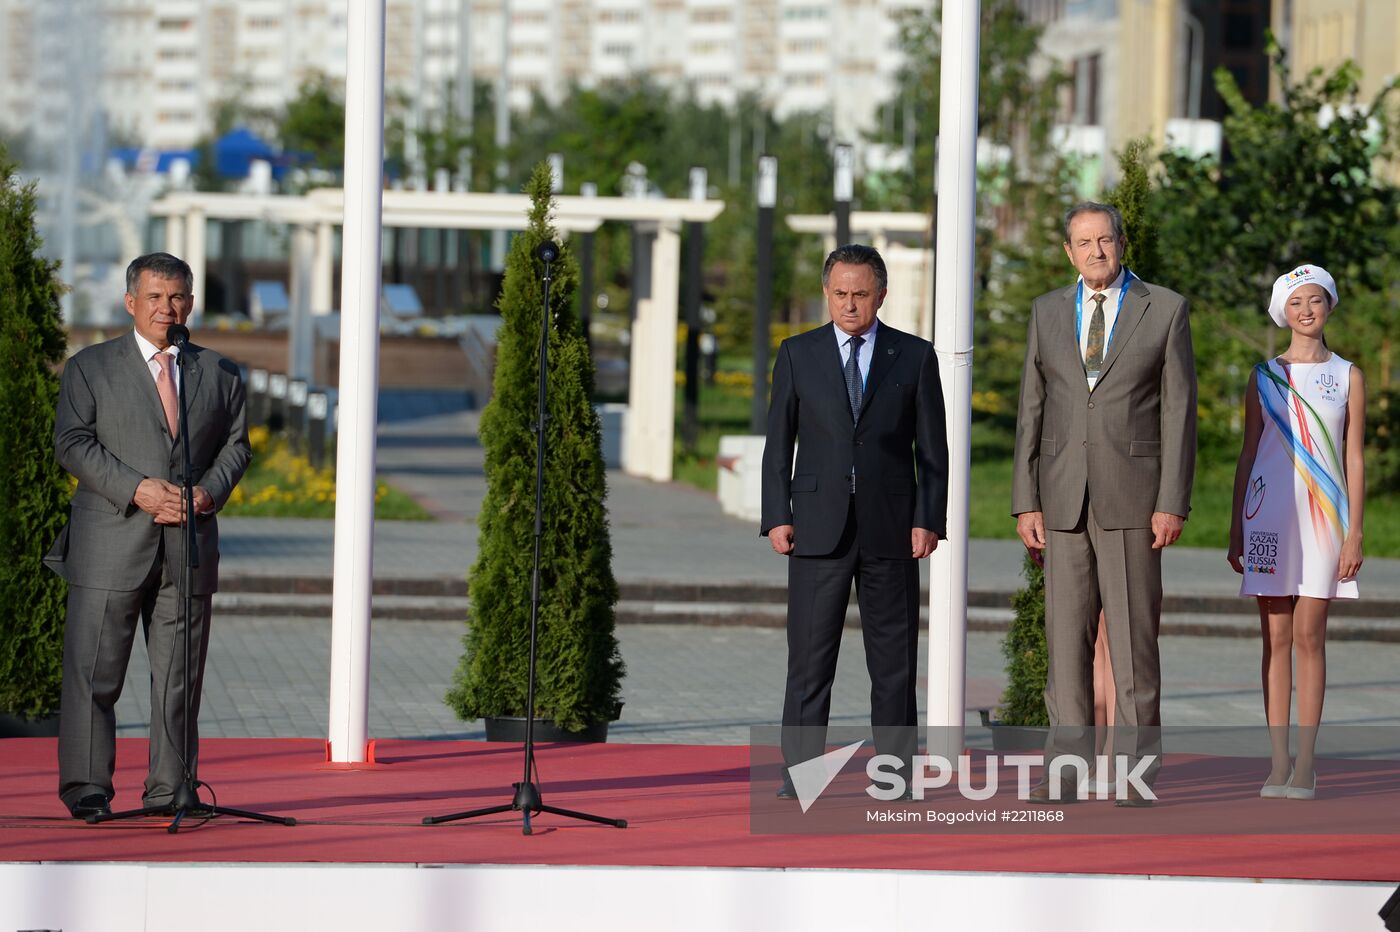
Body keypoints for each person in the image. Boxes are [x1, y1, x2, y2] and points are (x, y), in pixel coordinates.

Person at [44, 253, 251, 819]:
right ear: (130, 302)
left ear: (191, 303)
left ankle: (171, 789)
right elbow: (73, 443)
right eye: (155, 297)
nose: (167, 308)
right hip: (111, 539)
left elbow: (237, 446)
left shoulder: (220, 372)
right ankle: (86, 787)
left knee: (179, 680)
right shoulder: (91, 367)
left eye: (178, 296)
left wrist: (207, 492)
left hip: (188, 545)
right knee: (95, 676)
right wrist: (138, 489)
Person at [1011, 202, 1197, 806]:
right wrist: (1025, 501)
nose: (1095, 251)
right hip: (1061, 500)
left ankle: (1135, 773)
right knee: (1066, 641)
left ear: (1122, 243)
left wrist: (1172, 501)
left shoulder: (1164, 310)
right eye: (1083, 242)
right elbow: (1031, 411)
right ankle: (1066, 769)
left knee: (1133, 642)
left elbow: (1178, 413)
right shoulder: (1045, 312)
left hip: (1135, 501)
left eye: (1105, 240)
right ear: (1068, 251)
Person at [761, 243, 948, 797]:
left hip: (892, 530)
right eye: (840, 293)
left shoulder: (914, 357)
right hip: (817, 529)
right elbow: (778, 445)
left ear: (881, 296)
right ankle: (799, 775)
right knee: (810, 662)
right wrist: (777, 515)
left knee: (893, 665)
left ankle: (896, 773)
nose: (849, 304)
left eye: (860, 294)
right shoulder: (797, 354)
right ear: (826, 293)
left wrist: (928, 519)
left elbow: (932, 452)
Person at [1227, 264, 1364, 801]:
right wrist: (1237, 527)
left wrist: (1354, 533)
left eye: (1315, 301)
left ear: (1329, 305)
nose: (1306, 311)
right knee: (1275, 638)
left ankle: (1307, 761)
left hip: (1324, 521)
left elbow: (1353, 457)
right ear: (1282, 312)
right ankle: (1278, 760)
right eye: (1295, 303)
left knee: (1310, 637)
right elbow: (1247, 453)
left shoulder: (1348, 375)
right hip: (1268, 520)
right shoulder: (1263, 376)